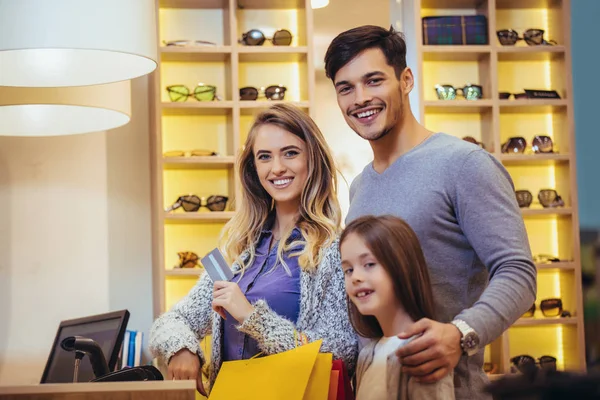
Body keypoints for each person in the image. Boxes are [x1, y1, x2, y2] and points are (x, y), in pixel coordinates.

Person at [324, 25, 536, 399]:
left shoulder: (465, 164)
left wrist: (460, 333)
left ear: (406, 80)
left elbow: (518, 272)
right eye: (346, 88)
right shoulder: (360, 186)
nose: (360, 98)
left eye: (374, 81)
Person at [148, 103, 358, 395]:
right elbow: (169, 322)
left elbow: (342, 350)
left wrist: (252, 318)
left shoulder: (334, 250)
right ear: (253, 168)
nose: (277, 168)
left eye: (291, 153)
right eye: (264, 157)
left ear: (313, 159)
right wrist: (181, 348)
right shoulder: (238, 253)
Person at [340, 214, 455, 400]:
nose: (355, 277)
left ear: (401, 266)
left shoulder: (423, 353)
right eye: (348, 270)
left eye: (369, 264)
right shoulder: (367, 355)